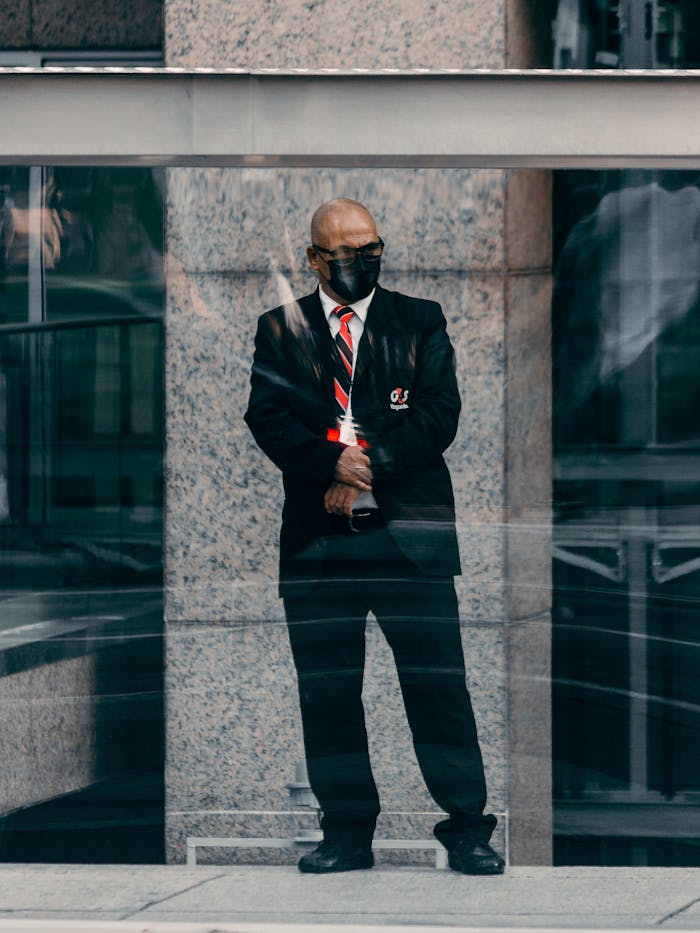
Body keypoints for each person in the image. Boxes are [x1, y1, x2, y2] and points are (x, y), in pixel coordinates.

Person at [245, 197, 504, 875]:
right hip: (319, 546)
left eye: (370, 247)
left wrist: (367, 467)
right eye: (344, 251)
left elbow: (438, 415)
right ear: (314, 258)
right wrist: (329, 460)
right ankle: (347, 834)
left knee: (438, 687)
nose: (361, 260)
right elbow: (267, 417)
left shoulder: (419, 321)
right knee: (329, 694)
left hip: (406, 542)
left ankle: (470, 829)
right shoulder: (282, 328)